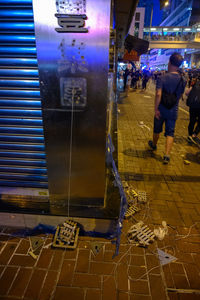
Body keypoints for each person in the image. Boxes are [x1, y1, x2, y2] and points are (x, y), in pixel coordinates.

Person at [148, 52, 186, 164]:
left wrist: (156, 109)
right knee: (170, 132)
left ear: (169, 62)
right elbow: (179, 96)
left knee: (157, 129)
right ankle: (167, 155)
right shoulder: (183, 80)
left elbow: (158, 94)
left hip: (161, 109)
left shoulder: (162, 77)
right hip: (173, 110)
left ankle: (154, 145)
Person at [186, 75, 200, 144]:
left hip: (193, 106)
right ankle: (194, 134)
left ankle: (190, 135)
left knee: (192, 121)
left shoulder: (194, 86)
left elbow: (186, 93)